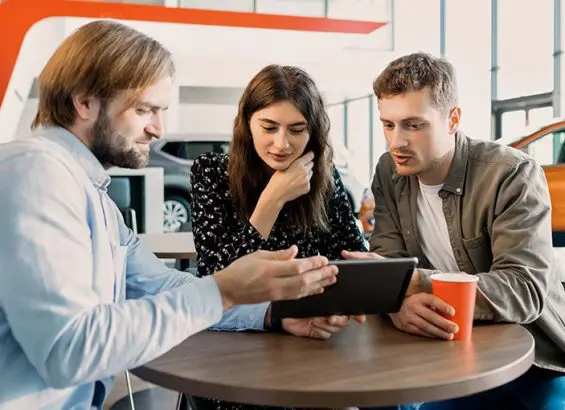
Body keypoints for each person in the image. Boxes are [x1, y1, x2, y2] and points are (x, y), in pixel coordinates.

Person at [0, 21, 341, 410]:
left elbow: (159, 284)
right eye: (144, 109)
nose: (158, 129)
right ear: (84, 103)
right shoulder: (37, 172)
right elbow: (69, 350)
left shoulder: (92, 196)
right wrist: (223, 290)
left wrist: (271, 314)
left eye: (161, 110)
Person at [344, 52, 565, 409]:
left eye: (413, 125)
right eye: (388, 124)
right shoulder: (389, 171)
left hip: (535, 357)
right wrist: (397, 301)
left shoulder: (510, 174)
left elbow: (525, 291)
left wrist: (416, 282)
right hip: (448, 350)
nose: (396, 141)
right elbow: (389, 263)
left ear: (453, 119)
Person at [189, 64, 368, 409]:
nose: (282, 144)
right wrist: (273, 199)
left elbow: (353, 259)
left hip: (314, 345)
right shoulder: (211, 172)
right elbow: (216, 276)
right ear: (247, 123)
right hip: (239, 352)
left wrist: (347, 302)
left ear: (313, 133)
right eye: (269, 127)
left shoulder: (325, 178)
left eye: (297, 130)